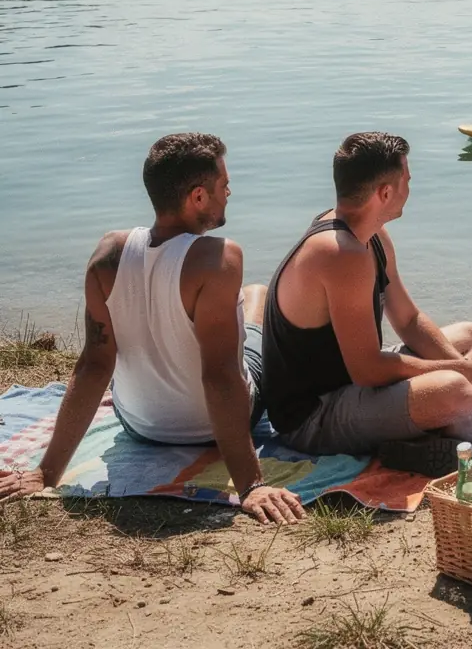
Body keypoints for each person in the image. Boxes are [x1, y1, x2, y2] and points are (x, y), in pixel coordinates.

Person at [0, 133, 305, 525]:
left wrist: (47, 472)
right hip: (211, 427)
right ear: (198, 196)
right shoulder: (219, 258)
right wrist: (250, 485)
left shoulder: (107, 253)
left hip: (141, 425)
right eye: (223, 185)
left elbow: (94, 366)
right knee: (258, 297)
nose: (229, 192)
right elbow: (221, 374)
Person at [261, 131, 472, 476]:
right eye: (407, 178)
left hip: (353, 385)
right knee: (458, 394)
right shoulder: (340, 253)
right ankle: (451, 427)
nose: (411, 185)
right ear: (385, 192)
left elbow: (407, 320)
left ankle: (446, 425)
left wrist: (461, 367)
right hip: (314, 415)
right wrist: (462, 373)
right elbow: (367, 370)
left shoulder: (372, 234)